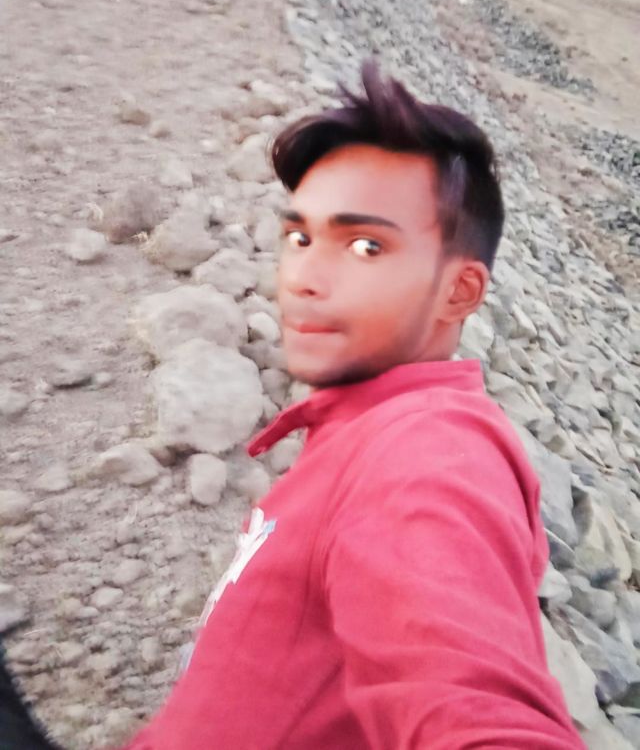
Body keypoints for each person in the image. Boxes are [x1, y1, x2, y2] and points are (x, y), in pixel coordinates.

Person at [124, 62, 585, 749]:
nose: (303, 278)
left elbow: (476, 708)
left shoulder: (429, 453)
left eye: (366, 246)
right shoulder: (364, 422)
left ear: (459, 292)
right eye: (299, 238)